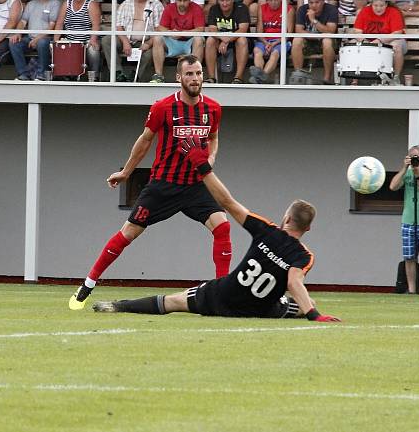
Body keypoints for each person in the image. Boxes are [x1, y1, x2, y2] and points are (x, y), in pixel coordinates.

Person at [91, 136, 340, 323]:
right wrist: (314, 315)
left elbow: (227, 201)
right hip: (260, 308)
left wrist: (202, 165)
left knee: (173, 302)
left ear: (286, 218)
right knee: (302, 302)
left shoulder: (266, 229)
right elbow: (294, 282)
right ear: (308, 228)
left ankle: (119, 306)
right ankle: (297, 308)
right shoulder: (305, 256)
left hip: (222, 295)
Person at [68, 55, 232, 309]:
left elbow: (214, 137)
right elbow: (145, 141)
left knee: (222, 227)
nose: (195, 79)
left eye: (198, 73)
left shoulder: (213, 108)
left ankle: (223, 293)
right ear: (179, 78)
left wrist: (211, 158)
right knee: (129, 233)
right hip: (163, 185)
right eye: (189, 74)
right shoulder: (163, 107)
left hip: (195, 185)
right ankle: (88, 283)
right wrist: (126, 172)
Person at [389, 145, 419, 295]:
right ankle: (411, 290)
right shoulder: (407, 172)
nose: (418, 161)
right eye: (414, 157)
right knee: (409, 257)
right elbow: (392, 186)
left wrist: (418, 176)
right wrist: (404, 168)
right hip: (408, 220)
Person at [102, 0, 162, 82]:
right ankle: (117, 73)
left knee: (150, 53)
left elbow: (159, 29)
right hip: (126, 39)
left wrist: (148, 43)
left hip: (146, 42)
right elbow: (119, 26)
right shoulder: (125, 4)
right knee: (107, 40)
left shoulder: (156, 4)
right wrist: (125, 42)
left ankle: (136, 76)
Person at [9, 0, 60, 80]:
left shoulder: (55, 3)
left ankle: (42, 75)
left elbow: (52, 27)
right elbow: (23, 22)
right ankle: (23, 74)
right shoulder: (31, 4)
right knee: (13, 42)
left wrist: (37, 39)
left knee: (42, 43)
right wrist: (18, 33)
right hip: (30, 38)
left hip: (47, 39)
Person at [151, 0, 205, 83]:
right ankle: (158, 76)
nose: (182, 3)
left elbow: (200, 29)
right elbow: (161, 28)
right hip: (173, 41)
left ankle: (195, 75)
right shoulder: (169, 8)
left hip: (189, 42)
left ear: (190, 0)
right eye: (179, 0)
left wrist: (183, 33)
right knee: (157, 38)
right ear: (175, 0)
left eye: (185, 0)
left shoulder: (196, 8)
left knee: (199, 38)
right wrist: (171, 33)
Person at [53, 0, 103, 79]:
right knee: (58, 48)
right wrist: (55, 41)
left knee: (93, 51)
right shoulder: (66, 4)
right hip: (70, 39)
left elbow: (96, 25)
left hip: (87, 39)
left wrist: (93, 39)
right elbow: (59, 23)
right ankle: (66, 75)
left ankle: (94, 76)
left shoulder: (91, 4)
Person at [351, 0, 407, 82]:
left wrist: (380, 40)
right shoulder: (365, 11)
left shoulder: (393, 12)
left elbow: (397, 32)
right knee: (353, 46)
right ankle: (354, 80)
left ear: (386, 4)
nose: (378, 8)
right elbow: (357, 31)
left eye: (381, 6)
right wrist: (365, 41)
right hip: (369, 41)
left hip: (391, 40)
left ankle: (396, 77)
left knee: (396, 46)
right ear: (371, 4)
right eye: (375, 5)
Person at [290, 0, 339, 85]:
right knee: (296, 40)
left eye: (317, 2)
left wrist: (313, 20)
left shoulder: (331, 9)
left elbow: (330, 30)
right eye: (311, 2)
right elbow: (299, 30)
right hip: (311, 40)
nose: (314, 5)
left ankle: (327, 78)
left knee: (327, 41)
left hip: (326, 41)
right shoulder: (302, 9)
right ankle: (298, 76)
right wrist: (317, 36)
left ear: (323, 1)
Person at [248, 0, 295, 84]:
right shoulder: (262, 8)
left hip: (281, 40)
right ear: (267, 0)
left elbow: (289, 33)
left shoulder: (289, 8)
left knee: (275, 54)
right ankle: (259, 77)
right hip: (265, 40)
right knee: (257, 51)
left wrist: (273, 44)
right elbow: (259, 31)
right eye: (270, 0)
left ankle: (260, 77)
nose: (273, 2)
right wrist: (266, 43)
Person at [204, 0, 250, 84]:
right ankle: (211, 78)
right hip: (220, 40)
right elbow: (212, 29)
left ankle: (238, 78)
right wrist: (222, 39)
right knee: (210, 40)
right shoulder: (214, 9)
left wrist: (226, 40)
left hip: (236, 40)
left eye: (227, 0)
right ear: (218, 0)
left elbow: (243, 29)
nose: (224, 3)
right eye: (222, 0)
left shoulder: (242, 8)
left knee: (242, 40)